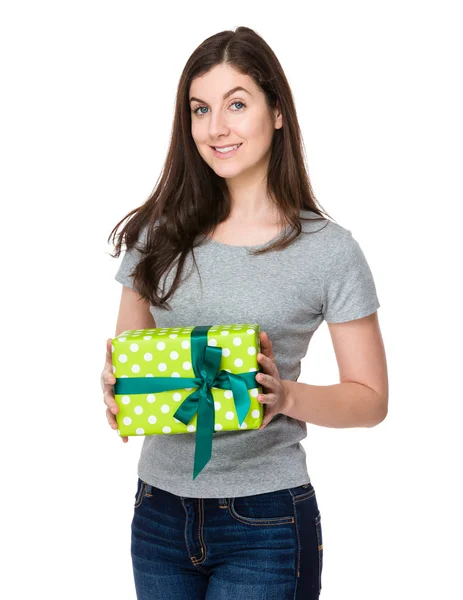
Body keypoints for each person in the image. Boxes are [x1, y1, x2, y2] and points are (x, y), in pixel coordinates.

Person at [101, 26, 388, 599]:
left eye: (237, 104)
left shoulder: (329, 250)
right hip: (158, 513)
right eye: (200, 109)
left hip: (268, 522)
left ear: (276, 111)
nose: (216, 128)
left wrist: (285, 397)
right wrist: (116, 392)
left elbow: (371, 398)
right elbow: (126, 365)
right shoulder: (156, 235)